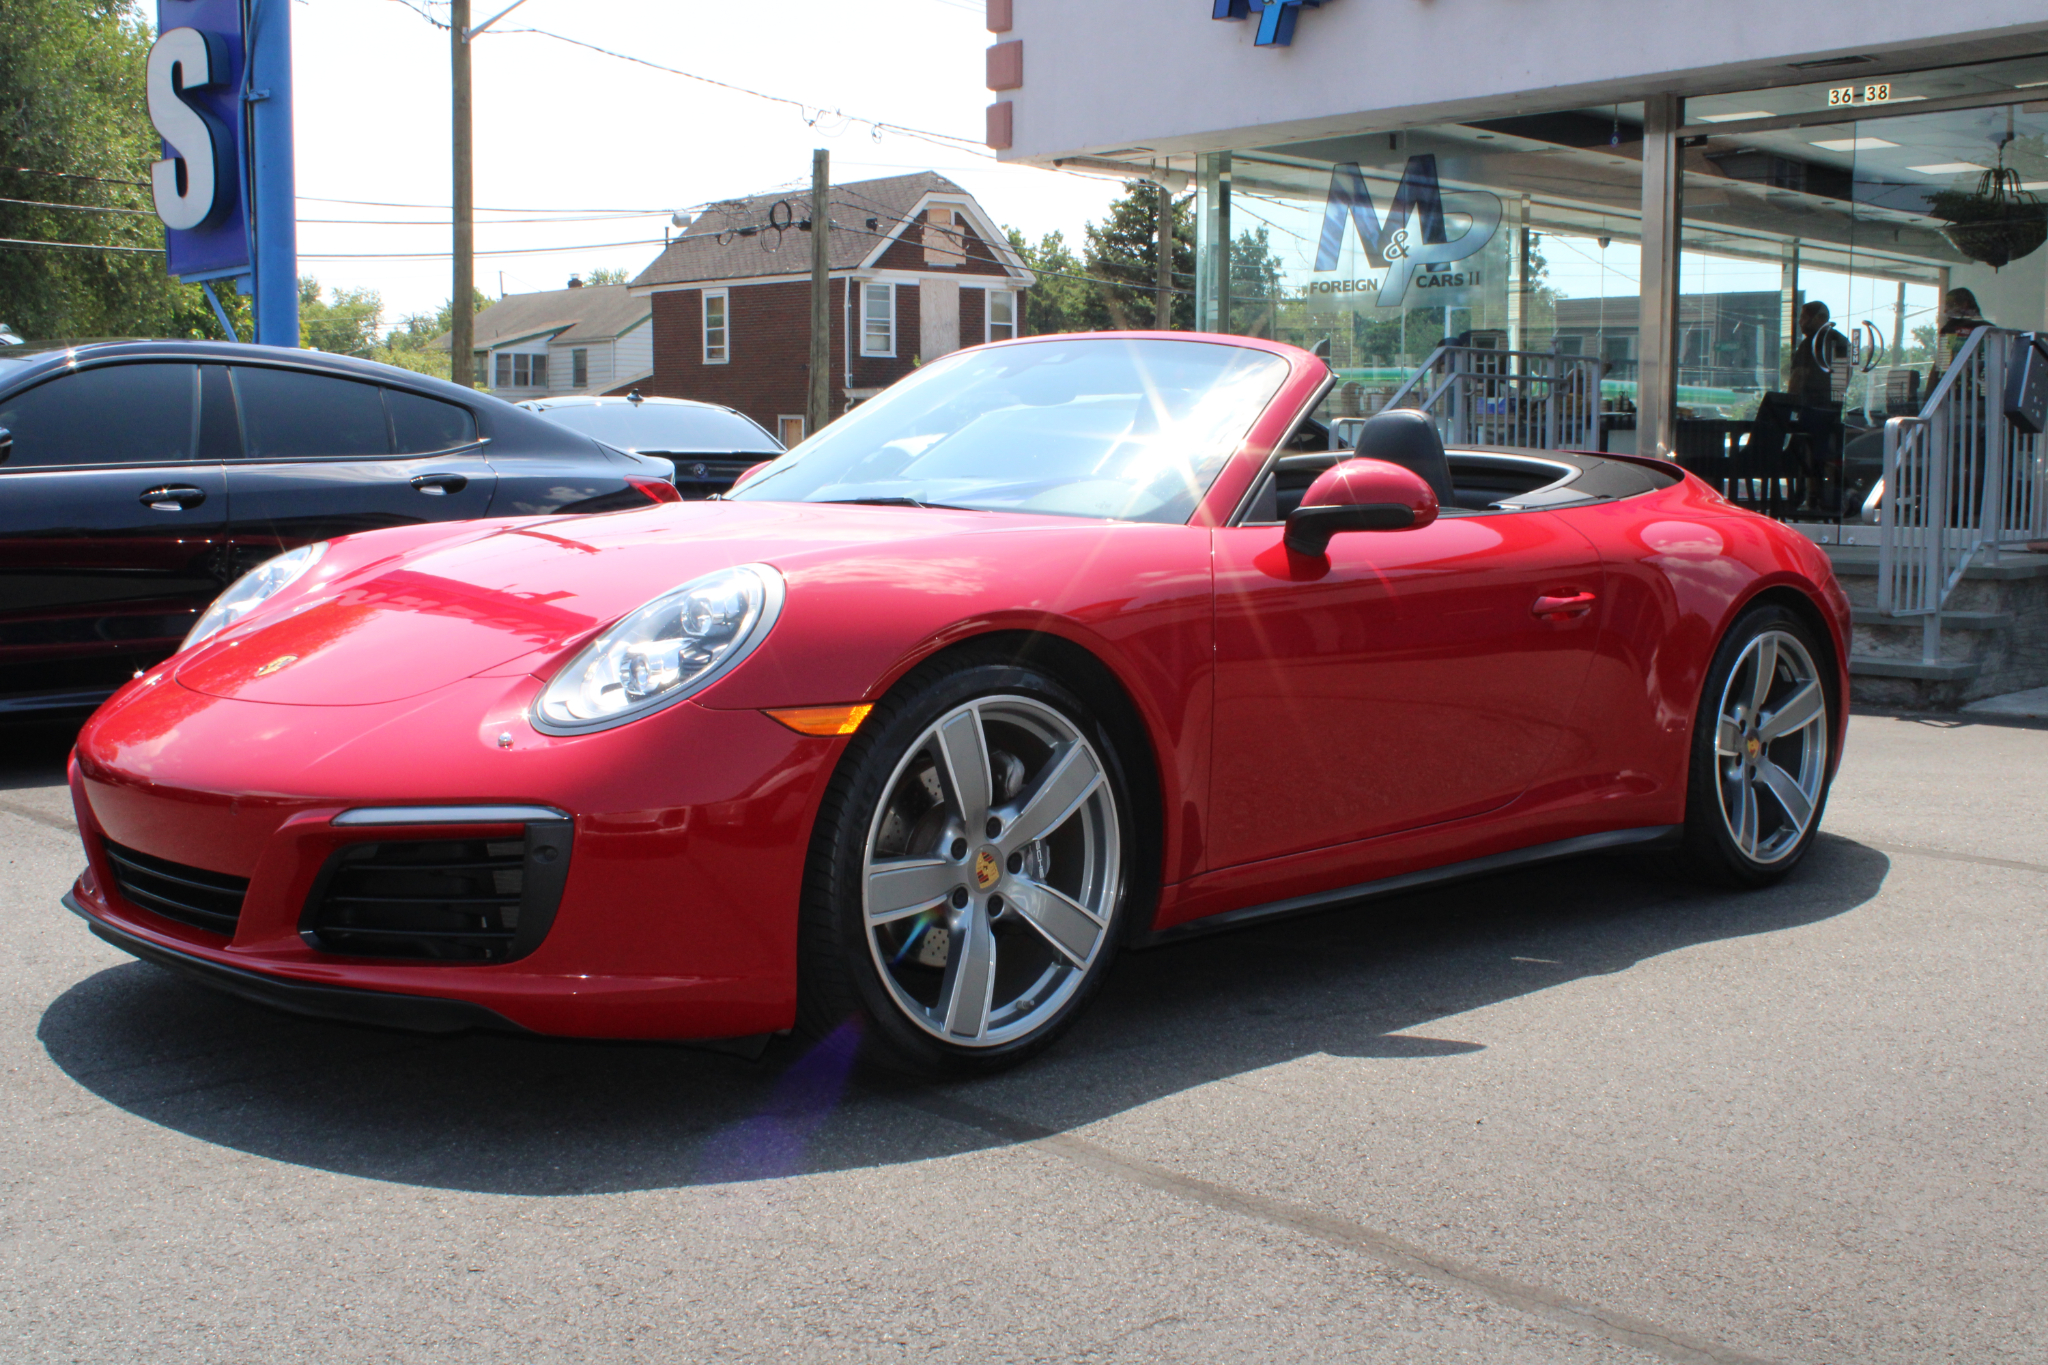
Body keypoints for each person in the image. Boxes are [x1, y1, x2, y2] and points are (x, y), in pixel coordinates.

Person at [1928, 287, 1989, 381]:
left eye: (1950, 305)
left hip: (1960, 387)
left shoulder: (1951, 329)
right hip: (1980, 387)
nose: (1946, 310)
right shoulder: (1990, 330)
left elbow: (1944, 365)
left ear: (1965, 304)